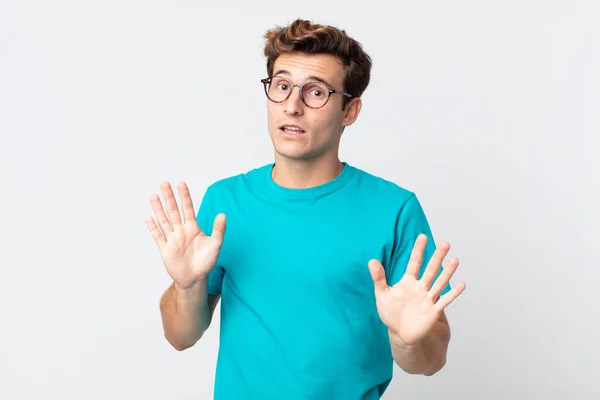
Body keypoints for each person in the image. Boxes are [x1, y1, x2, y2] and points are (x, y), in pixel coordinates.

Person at [146, 18, 466, 400]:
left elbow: (429, 362)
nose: (293, 106)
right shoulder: (225, 203)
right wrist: (187, 284)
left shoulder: (395, 209)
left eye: (316, 92)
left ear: (349, 111)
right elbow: (180, 337)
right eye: (282, 87)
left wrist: (407, 339)